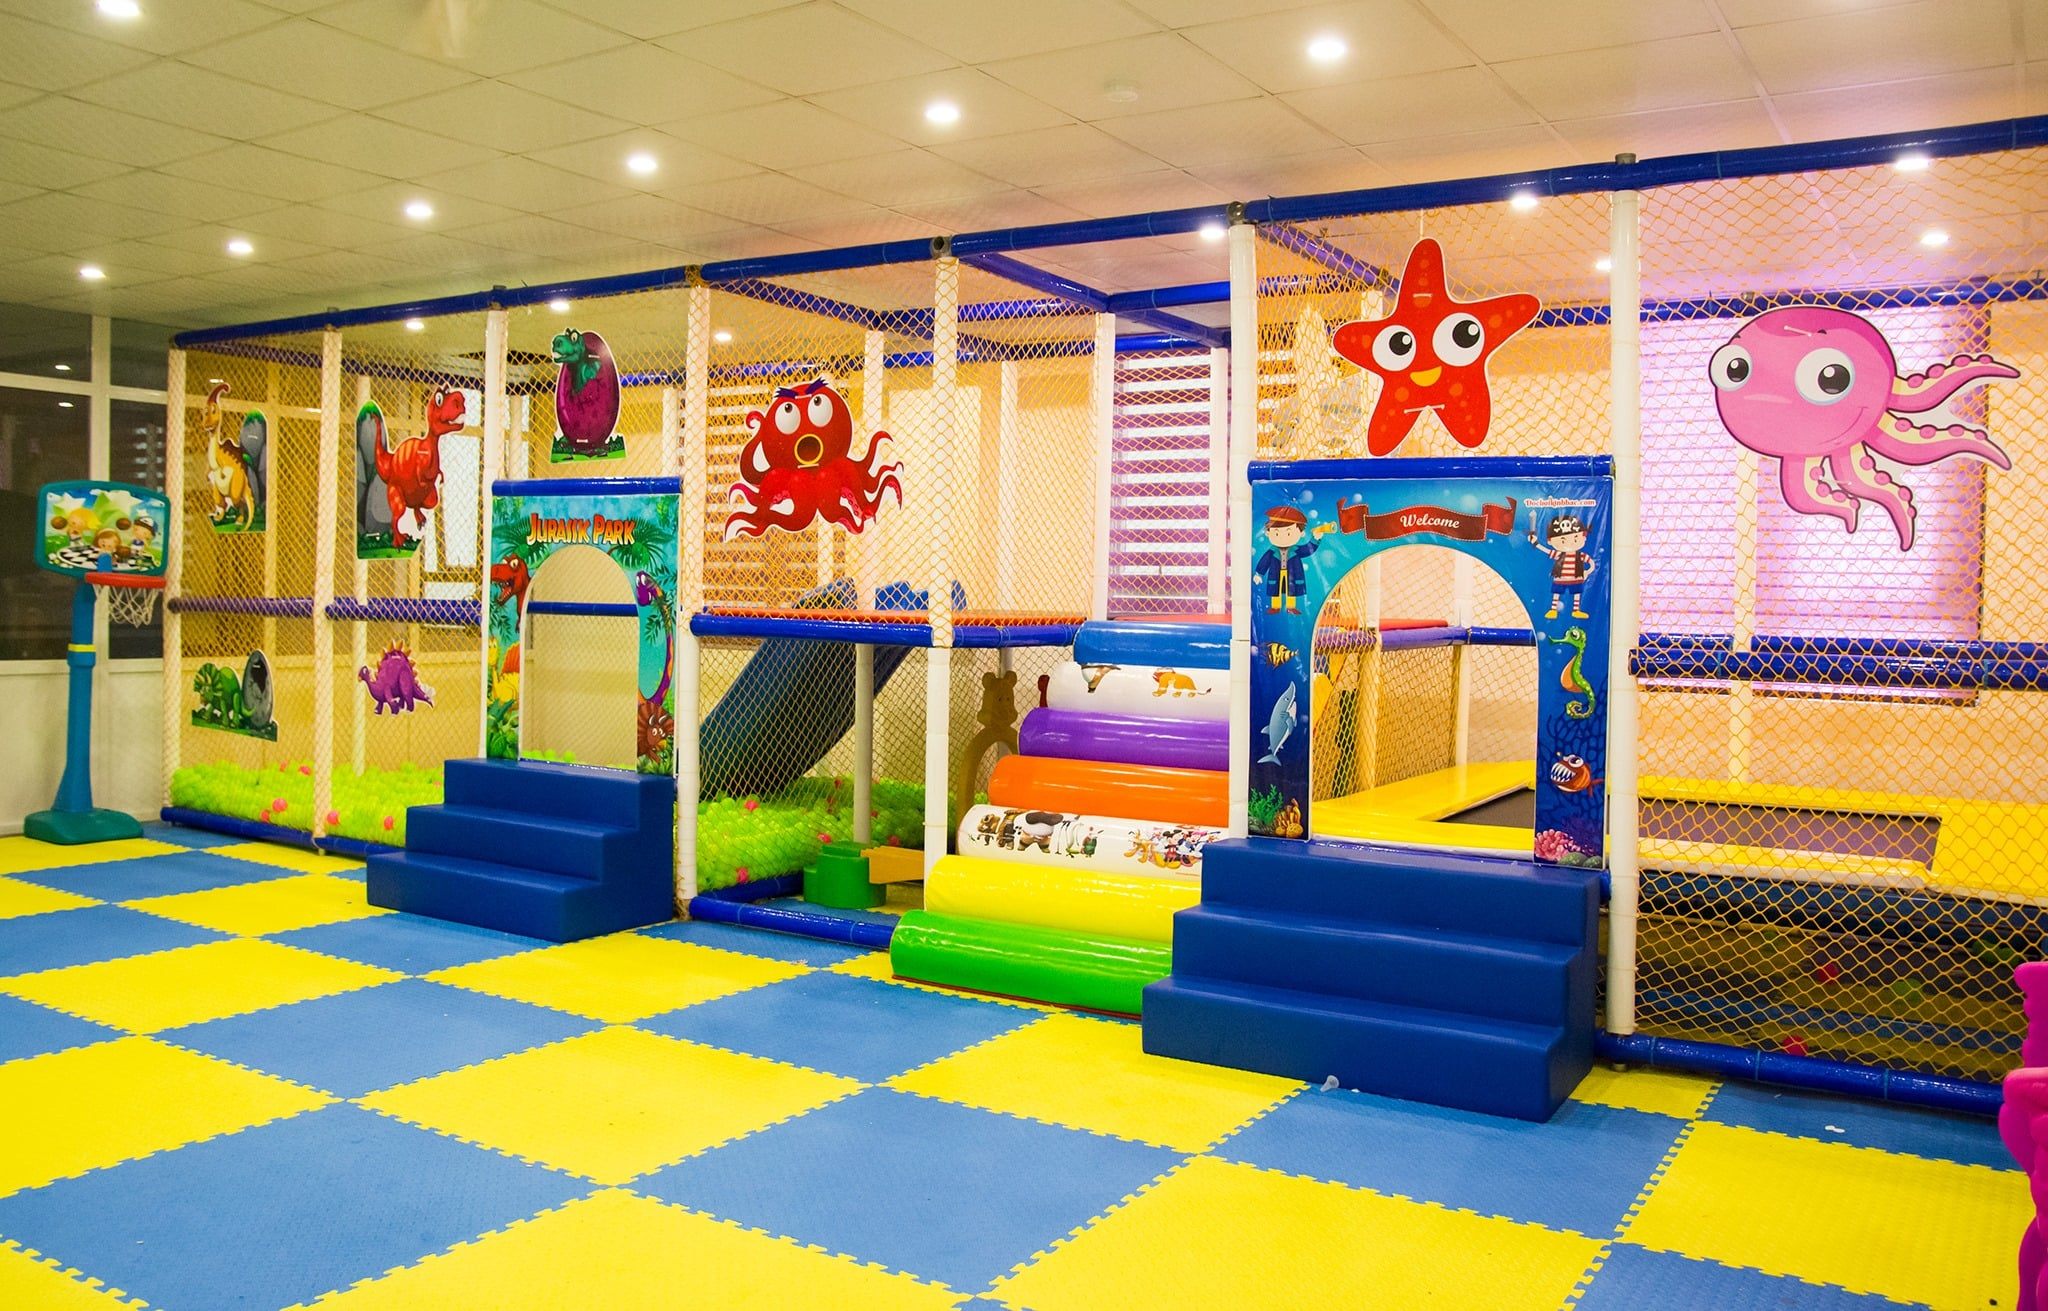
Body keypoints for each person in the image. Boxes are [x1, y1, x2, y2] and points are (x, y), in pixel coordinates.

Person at [1529, 512, 1595, 619]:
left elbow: (1592, 563)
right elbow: (1546, 551)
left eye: (1575, 539)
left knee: (1577, 593)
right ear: (1550, 541)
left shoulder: (1580, 555)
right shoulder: (1559, 554)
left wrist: (1587, 571)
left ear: (1584, 537)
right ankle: (1553, 610)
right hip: (1560, 579)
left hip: (1576, 579)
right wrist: (1535, 543)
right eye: (1563, 540)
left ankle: (1576, 610)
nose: (1570, 543)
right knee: (1556, 593)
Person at [1255, 504, 1318, 613]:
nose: (1282, 538)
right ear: (1268, 533)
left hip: (1292, 573)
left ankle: (1291, 607)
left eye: (1288, 533)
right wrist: (1259, 574)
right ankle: (1275, 607)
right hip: (1276, 572)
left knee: (1291, 589)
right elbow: (1264, 562)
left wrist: (1315, 539)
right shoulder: (1272, 551)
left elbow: (1308, 549)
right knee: (1275, 590)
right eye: (1277, 533)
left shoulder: (1297, 550)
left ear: (1301, 533)